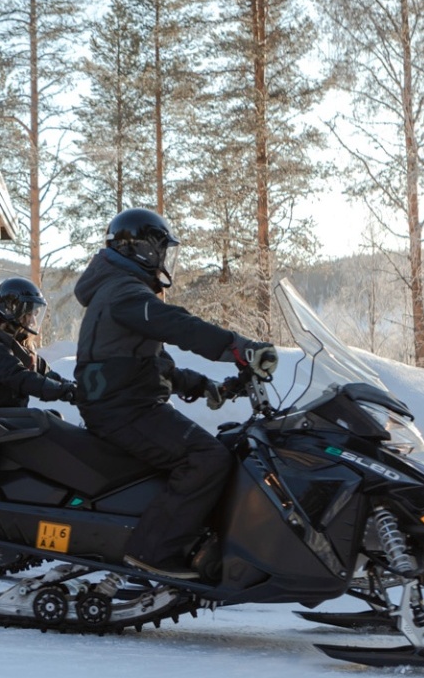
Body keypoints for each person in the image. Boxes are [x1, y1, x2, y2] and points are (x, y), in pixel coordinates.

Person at [72, 208, 276, 581]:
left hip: (123, 404)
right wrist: (239, 347)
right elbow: (180, 326)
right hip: (125, 410)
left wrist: (203, 386)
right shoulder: (125, 293)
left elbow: (153, 363)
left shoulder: (118, 289)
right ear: (142, 250)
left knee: (217, 449)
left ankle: (194, 538)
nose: (165, 260)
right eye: (161, 249)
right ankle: (153, 553)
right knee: (207, 459)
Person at [0, 276, 75, 411]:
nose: (34, 322)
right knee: (49, 426)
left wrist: (72, 387)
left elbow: (44, 371)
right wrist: (61, 391)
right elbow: (20, 377)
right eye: (30, 314)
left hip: (10, 418)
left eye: (35, 315)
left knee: (54, 421)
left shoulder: (18, 344)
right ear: (12, 310)